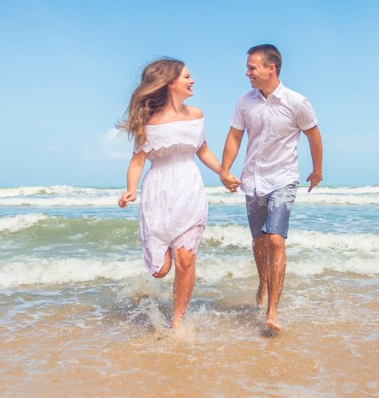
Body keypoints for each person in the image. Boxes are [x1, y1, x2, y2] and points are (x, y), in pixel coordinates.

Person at [220, 44, 323, 334]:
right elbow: (234, 136)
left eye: (252, 67)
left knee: (275, 239)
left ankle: (272, 311)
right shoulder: (244, 101)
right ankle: (263, 281)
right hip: (252, 180)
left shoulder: (297, 102)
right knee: (259, 242)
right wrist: (225, 170)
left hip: (284, 179)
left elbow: (314, 136)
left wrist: (316, 170)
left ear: (270, 68)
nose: (247, 72)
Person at [117, 58, 224, 330]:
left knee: (185, 259)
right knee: (161, 270)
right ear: (169, 83)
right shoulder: (149, 121)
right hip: (158, 192)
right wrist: (131, 190)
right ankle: (154, 264)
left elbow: (203, 150)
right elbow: (137, 162)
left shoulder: (196, 115)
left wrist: (223, 173)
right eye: (187, 76)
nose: (193, 81)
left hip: (189, 187)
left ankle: (178, 320)